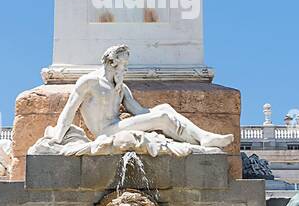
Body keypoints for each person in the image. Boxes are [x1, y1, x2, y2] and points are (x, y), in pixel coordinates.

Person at [44, 44, 232, 151]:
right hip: (104, 132)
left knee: (164, 109)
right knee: (163, 117)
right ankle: (202, 139)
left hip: (116, 127)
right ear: (111, 62)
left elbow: (140, 112)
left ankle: (202, 137)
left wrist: (159, 113)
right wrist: (57, 139)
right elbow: (68, 111)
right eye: (123, 63)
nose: (126, 68)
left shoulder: (121, 87)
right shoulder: (89, 82)